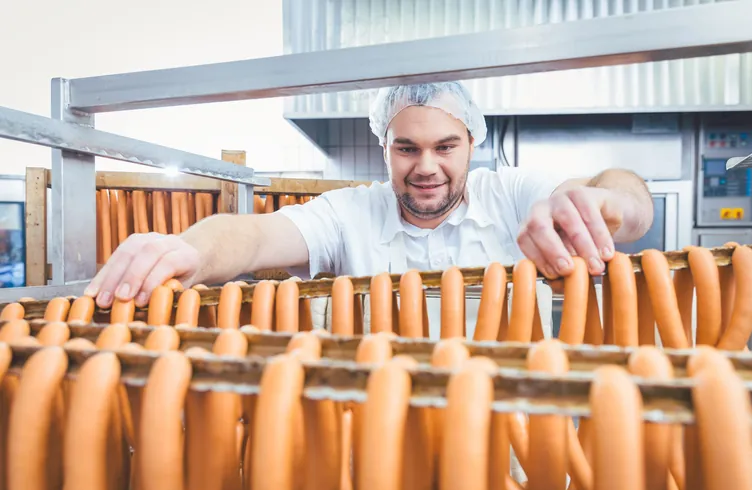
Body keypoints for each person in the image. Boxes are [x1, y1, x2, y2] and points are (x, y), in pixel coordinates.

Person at [85, 81, 653, 310]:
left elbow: (627, 194)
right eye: (406, 148)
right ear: (384, 148)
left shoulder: (512, 192)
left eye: (445, 147)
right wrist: (192, 250)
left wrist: (605, 205)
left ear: (473, 143)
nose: (426, 167)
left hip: (509, 437)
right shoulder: (349, 212)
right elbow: (255, 235)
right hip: (373, 438)